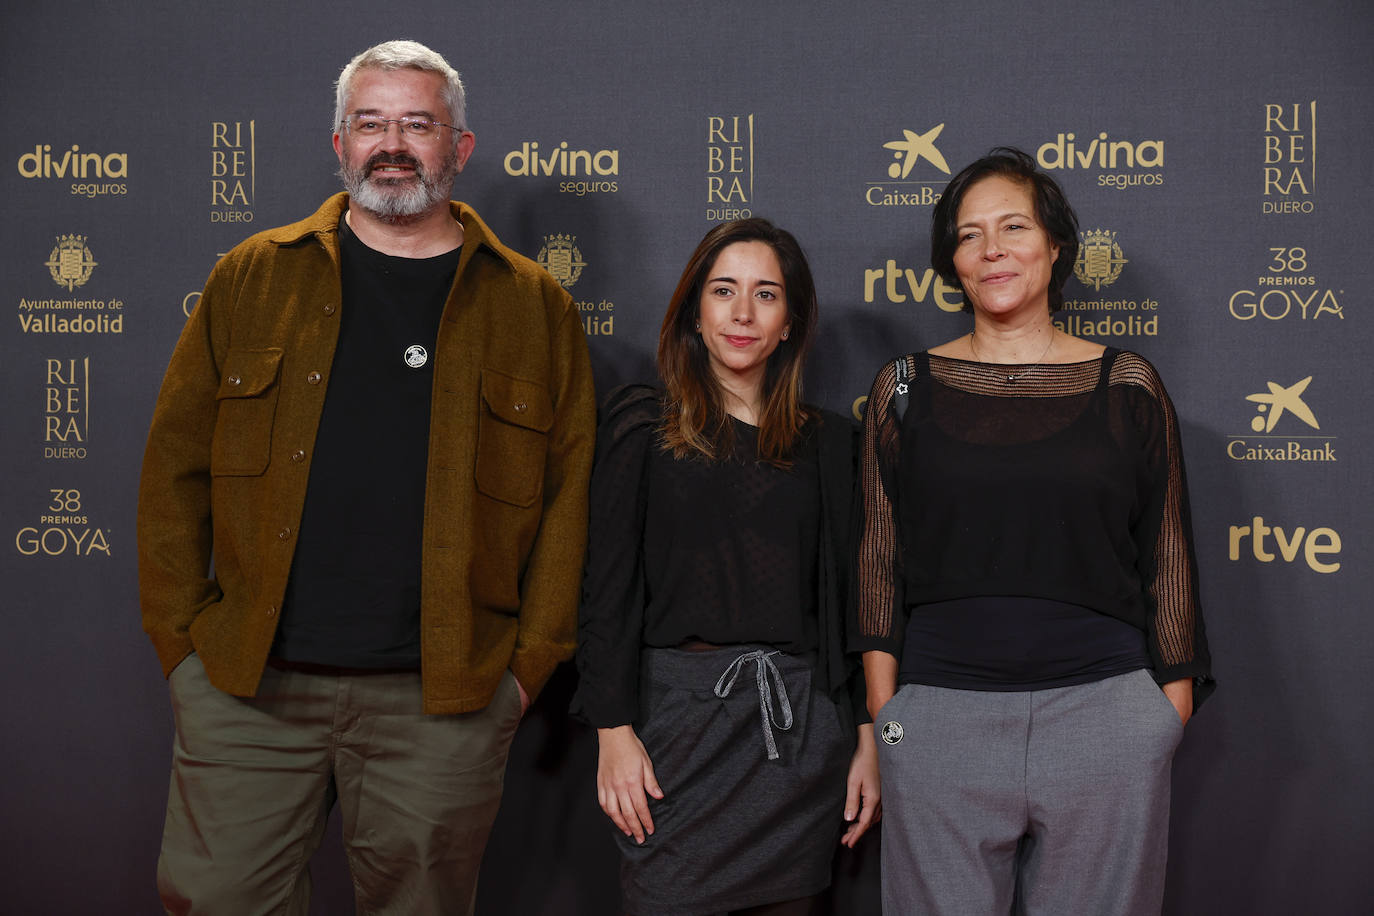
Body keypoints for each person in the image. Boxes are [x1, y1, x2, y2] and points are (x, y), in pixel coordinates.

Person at [136, 39, 596, 915]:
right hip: (247, 687)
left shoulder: (534, 305)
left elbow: (570, 502)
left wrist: (525, 669)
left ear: (458, 148)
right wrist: (182, 646)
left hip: (442, 700)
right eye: (371, 123)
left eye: (419, 124)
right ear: (339, 143)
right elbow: (173, 474)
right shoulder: (252, 278)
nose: (393, 143)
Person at [852, 147, 1214, 915]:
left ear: (1054, 246)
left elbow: (1168, 553)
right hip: (939, 718)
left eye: (1013, 227)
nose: (992, 250)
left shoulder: (1128, 385)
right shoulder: (904, 387)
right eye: (969, 235)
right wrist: (891, 717)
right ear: (951, 262)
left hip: (1105, 718)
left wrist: (1162, 716)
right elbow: (879, 558)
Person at [574, 218, 880, 916]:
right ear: (693, 311)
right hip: (675, 729)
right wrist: (613, 730)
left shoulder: (832, 444)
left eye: (766, 295)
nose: (743, 314)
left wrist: (869, 738)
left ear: (790, 323)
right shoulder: (642, 424)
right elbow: (606, 587)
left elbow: (854, 608)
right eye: (724, 291)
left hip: (799, 738)